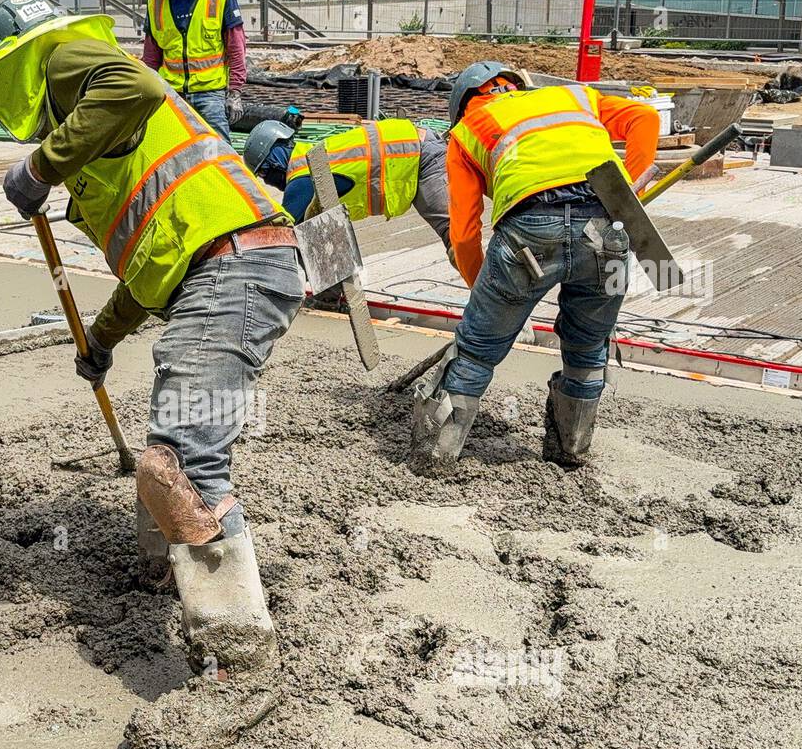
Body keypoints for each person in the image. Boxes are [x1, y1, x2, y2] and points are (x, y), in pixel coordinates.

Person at [0, 0, 303, 749]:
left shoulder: (66, 60)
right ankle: (162, 569)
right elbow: (151, 265)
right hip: (222, 269)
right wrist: (104, 340)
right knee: (167, 452)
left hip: (238, 267)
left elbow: (139, 81)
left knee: (175, 461)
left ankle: (240, 670)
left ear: (9, 67)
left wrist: (40, 166)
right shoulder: (99, 142)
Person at [411, 61, 660, 468]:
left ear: (463, 104)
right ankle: (571, 452)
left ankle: (434, 457)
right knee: (588, 346)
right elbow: (645, 118)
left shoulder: (468, 130)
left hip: (530, 228)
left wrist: (483, 293)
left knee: (475, 351)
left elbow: (463, 233)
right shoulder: (571, 95)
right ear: (518, 85)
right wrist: (627, 193)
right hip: (607, 226)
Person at [243, 117, 450, 250]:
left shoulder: (302, 178)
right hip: (415, 149)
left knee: (456, 238)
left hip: (420, 156)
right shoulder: (311, 155)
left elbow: (282, 234)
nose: (267, 181)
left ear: (272, 162)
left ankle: (480, 309)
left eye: (263, 173)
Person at [141, 0, 245, 142]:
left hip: (210, 94)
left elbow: (236, 46)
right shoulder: (156, 2)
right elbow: (151, 57)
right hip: (172, 94)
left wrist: (234, 92)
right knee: (174, 153)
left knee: (218, 154)